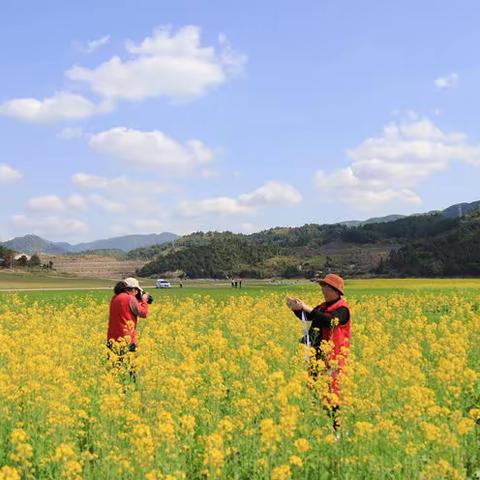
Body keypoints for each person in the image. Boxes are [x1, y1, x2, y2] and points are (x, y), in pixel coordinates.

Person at [286, 273, 351, 430]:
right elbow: (310, 317)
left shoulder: (342, 309)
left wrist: (307, 308)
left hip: (333, 357)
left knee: (332, 393)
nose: (322, 289)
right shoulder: (323, 307)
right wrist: (297, 309)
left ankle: (338, 429)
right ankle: (321, 426)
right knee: (315, 390)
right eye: (322, 286)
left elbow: (329, 320)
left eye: (325, 287)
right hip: (317, 356)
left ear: (335, 290)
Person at [107, 277, 149, 356]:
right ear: (133, 289)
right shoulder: (130, 298)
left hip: (112, 339)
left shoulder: (114, 298)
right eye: (136, 291)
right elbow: (144, 313)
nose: (136, 293)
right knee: (129, 366)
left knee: (115, 366)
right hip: (127, 339)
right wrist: (144, 300)